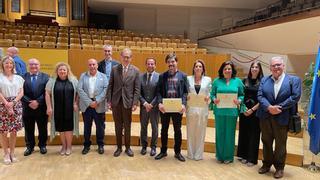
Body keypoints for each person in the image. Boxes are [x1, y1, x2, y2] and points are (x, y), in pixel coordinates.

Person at [256, 56, 301, 179]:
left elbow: (295, 96)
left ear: (283, 66)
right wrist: (269, 107)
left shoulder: (293, 80)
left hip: (282, 117)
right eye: (273, 65)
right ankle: (266, 164)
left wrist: (278, 107)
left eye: (278, 65)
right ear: (270, 67)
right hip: (265, 116)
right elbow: (260, 96)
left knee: (281, 143)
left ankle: (279, 168)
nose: (276, 67)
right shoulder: (265, 80)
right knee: (266, 141)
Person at [107, 48, 140, 157]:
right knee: (117, 126)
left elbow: (137, 89)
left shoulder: (136, 70)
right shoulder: (114, 69)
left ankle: (128, 147)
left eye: (128, 57)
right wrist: (109, 101)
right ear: (121, 57)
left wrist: (135, 103)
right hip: (116, 102)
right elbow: (110, 86)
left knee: (127, 125)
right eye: (124, 56)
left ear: (131, 58)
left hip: (128, 102)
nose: (126, 59)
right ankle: (119, 147)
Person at [155, 53, 188, 162]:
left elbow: (185, 92)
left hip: (177, 108)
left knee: (177, 130)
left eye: (173, 61)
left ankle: (177, 152)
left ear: (176, 62)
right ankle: (163, 151)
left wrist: (183, 104)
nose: (171, 64)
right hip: (165, 107)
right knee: (164, 130)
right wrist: (159, 103)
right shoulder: (162, 76)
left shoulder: (183, 76)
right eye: (169, 62)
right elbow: (159, 92)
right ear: (167, 63)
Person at [210, 61, 244, 164]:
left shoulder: (237, 81)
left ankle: (228, 156)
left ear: (232, 70)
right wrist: (214, 99)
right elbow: (212, 94)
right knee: (220, 133)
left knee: (230, 133)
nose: (227, 70)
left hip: (232, 111)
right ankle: (220, 156)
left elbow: (242, 95)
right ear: (222, 70)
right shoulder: (216, 81)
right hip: (219, 110)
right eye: (225, 69)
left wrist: (239, 101)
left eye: (229, 69)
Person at [45, 62, 79, 156]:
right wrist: (49, 107)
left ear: (68, 71)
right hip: (57, 109)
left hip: (70, 109)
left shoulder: (74, 80)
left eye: (64, 69)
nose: (62, 71)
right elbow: (47, 94)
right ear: (57, 71)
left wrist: (76, 103)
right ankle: (64, 146)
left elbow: (78, 93)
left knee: (68, 128)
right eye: (60, 70)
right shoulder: (52, 81)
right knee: (61, 128)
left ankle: (69, 146)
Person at [78, 58, 108, 155]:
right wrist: (89, 102)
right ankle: (86, 145)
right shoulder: (83, 76)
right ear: (88, 66)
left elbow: (105, 90)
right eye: (90, 65)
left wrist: (97, 101)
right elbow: (80, 89)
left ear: (97, 65)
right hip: (87, 106)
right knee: (87, 127)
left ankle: (100, 145)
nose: (92, 66)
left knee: (100, 127)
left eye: (93, 64)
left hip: (99, 105)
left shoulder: (103, 76)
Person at [237, 61, 264, 166]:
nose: (254, 68)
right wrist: (243, 108)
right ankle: (243, 155)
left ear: (259, 69)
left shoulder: (263, 81)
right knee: (244, 132)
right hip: (244, 110)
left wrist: (252, 110)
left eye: (256, 67)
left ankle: (252, 158)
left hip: (256, 111)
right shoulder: (245, 80)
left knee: (254, 134)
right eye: (252, 67)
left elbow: (262, 99)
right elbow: (240, 95)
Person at [22, 58, 49, 156]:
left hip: (41, 107)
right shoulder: (22, 77)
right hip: (27, 108)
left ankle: (42, 145)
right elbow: (20, 92)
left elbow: (47, 92)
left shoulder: (46, 77)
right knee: (28, 129)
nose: (33, 66)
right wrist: (29, 102)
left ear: (39, 65)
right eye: (31, 64)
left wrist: (38, 101)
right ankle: (30, 146)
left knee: (42, 128)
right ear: (28, 66)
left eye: (36, 64)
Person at [0, 56, 24, 165]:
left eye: (11, 63)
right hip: (2, 104)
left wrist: (13, 103)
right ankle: (5, 153)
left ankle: (12, 153)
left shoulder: (18, 78)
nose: (9, 65)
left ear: (13, 65)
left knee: (14, 131)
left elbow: (21, 92)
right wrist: (6, 103)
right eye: (6, 63)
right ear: (2, 65)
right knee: (4, 131)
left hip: (16, 104)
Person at [186, 59, 211, 160]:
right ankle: (190, 154)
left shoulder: (208, 80)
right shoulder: (188, 79)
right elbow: (185, 91)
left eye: (200, 66)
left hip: (202, 108)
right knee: (190, 132)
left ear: (203, 69)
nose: (198, 68)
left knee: (201, 132)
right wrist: (186, 97)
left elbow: (210, 93)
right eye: (196, 66)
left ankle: (198, 154)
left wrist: (208, 98)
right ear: (193, 68)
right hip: (191, 108)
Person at [139, 57, 159, 156]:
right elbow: (138, 93)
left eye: (152, 64)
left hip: (154, 108)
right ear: (146, 65)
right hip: (143, 107)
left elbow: (159, 93)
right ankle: (144, 146)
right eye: (148, 64)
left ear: (155, 65)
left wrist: (151, 104)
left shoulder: (159, 77)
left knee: (154, 128)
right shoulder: (140, 77)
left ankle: (153, 147)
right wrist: (145, 103)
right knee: (143, 127)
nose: (150, 65)